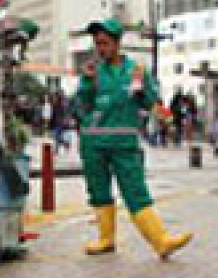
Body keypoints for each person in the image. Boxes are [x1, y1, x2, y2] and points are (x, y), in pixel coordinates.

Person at [74, 18, 194, 260]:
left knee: (135, 191)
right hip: (93, 143)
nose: (100, 48)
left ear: (117, 43)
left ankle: (160, 241)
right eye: (97, 43)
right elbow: (82, 106)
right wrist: (86, 82)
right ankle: (106, 239)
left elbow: (151, 102)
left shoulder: (135, 71)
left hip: (124, 143)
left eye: (105, 43)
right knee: (98, 190)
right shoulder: (93, 72)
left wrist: (163, 113)